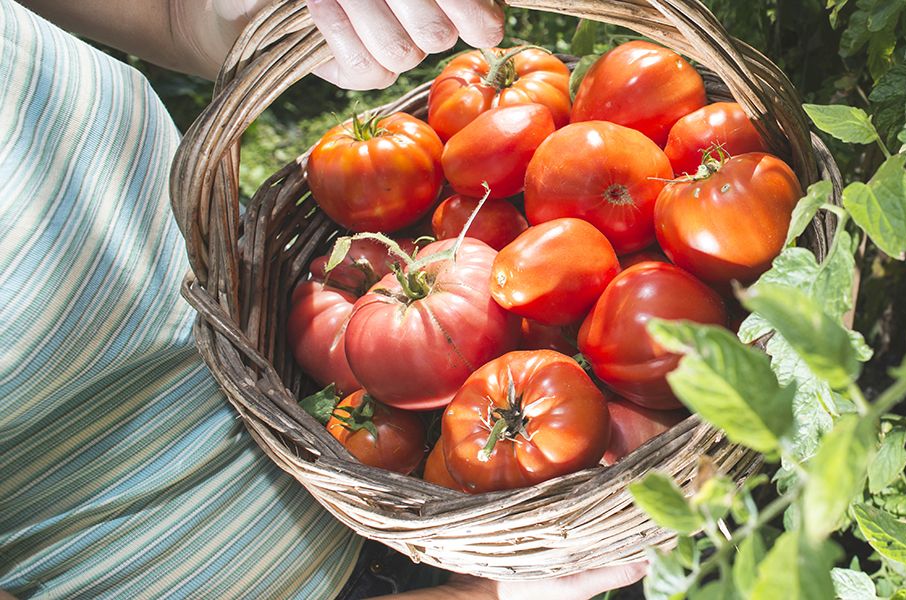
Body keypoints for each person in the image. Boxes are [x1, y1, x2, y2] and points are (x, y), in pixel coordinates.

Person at [0, 1, 645, 598]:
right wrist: (479, 594)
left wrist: (270, 15)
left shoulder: (360, 293)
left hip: (322, 384)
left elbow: (178, 16)